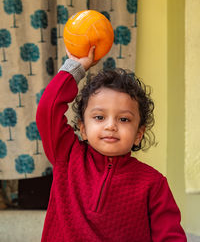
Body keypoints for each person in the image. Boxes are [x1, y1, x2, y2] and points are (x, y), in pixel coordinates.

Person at [36, 47, 187, 242]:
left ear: (138, 134)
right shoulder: (67, 155)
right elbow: (47, 110)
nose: (111, 126)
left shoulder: (153, 183)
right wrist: (75, 67)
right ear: (82, 128)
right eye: (99, 117)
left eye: (124, 119)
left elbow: (170, 237)